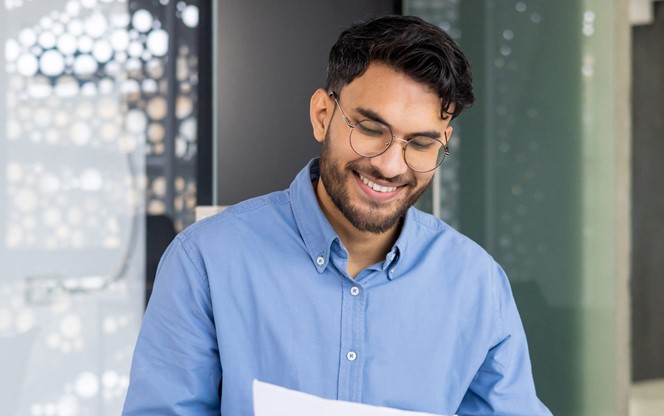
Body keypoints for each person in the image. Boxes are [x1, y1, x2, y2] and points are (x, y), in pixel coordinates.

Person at [123, 15, 551, 416]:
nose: (390, 165)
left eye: (420, 144)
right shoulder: (206, 260)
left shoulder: (477, 284)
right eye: (370, 129)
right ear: (322, 115)